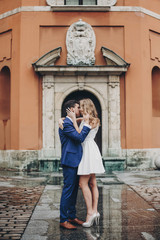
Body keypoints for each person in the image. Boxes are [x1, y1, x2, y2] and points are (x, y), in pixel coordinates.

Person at [61, 98, 105, 228]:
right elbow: (73, 123)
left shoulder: (88, 120)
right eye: (78, 106)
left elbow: (79, 135)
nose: (79, 108)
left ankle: (90, 213)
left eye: (80, 106)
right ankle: (94, 211)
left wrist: (74, 120)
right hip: (90, 150)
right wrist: (63, 119)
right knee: (93, 182)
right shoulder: (92, 119)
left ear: (86, 107)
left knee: (83, 183)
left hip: (87, 151)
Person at [58, 100, 91, 230]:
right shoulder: (66, 124)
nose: (80, 110)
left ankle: (72, 216)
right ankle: (63, 219)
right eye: (78, 108)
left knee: (73, 191)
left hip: (76, 160)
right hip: (70, 161)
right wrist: (87, 125)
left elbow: (75, 121)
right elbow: (79, 137)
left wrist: (79, 118)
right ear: (71, 109)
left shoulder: (68, 121)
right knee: (68, 190)